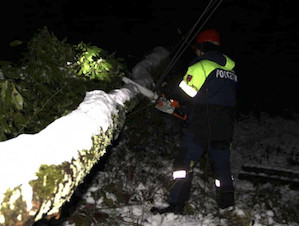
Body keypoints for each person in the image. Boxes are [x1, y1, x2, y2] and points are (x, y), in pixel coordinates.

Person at [152, 28, 238, 214]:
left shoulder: (202, 65)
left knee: (183, 163)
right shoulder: (229, 70)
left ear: (201, 48)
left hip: (201, 123)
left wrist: (167, 94)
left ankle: (176, 204)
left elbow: (186, 92)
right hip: (225, 125)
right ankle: (227, 206)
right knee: (222, 165)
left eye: (197, 49)